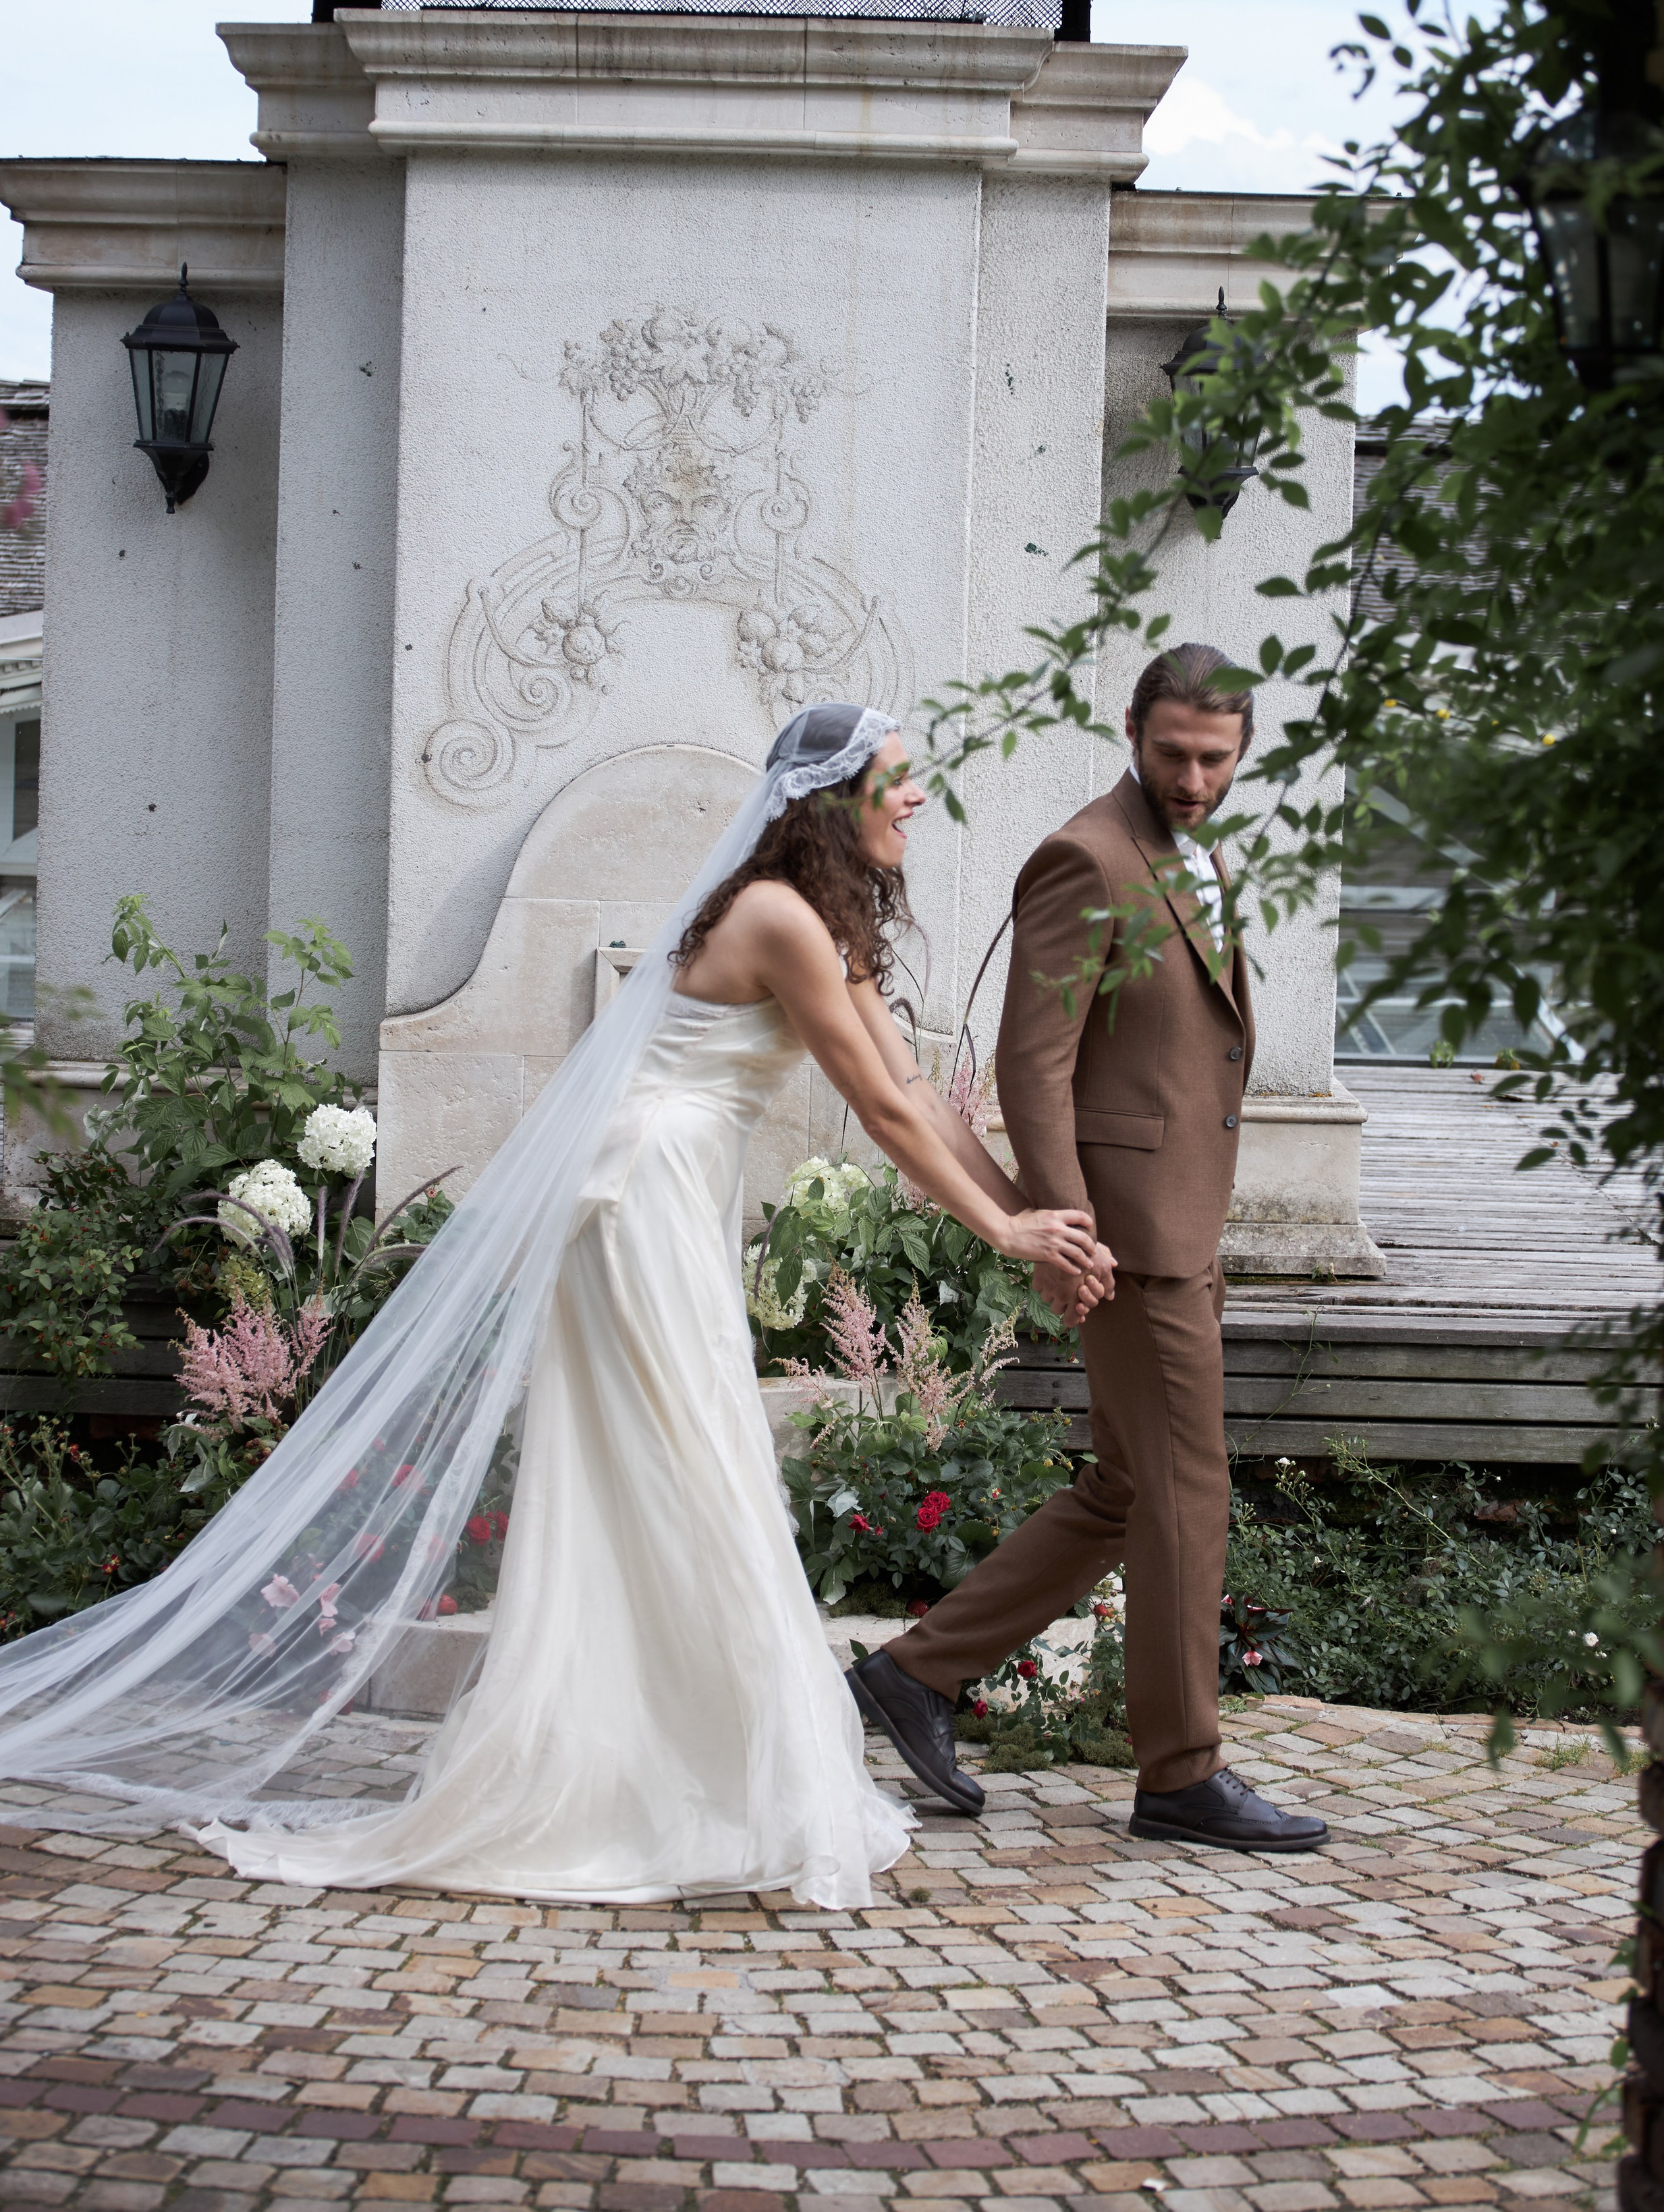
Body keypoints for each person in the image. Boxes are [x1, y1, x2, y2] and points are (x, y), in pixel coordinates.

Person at [0, 704, 1097, 1910]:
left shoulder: (829, 921)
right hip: (640, 1203)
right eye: (897, 782)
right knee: (686, 1462)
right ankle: (653, 1779)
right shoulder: (780, 917)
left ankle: (684, 1765)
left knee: (685, 1460)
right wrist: (1003, 1229)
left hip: (676, 1189)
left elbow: (923, 1097)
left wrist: (1034, 1223)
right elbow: (881, 1116)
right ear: (833, 801)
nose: (916, 801)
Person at [850, 646, 1328, 1853]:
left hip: (1179, 1221)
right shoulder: (1086, 855)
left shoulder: (1198, 852)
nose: (1191, 773)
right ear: (1133, 729)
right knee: (1185, 1495)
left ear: (1243, 748)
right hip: (1123, 1237)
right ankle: (1180, 1775)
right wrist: (1061, 1229)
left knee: (1128, 1486)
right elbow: (1033, 1061)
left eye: (1214, 755)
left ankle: (913, 1675)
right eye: (1171, 750)